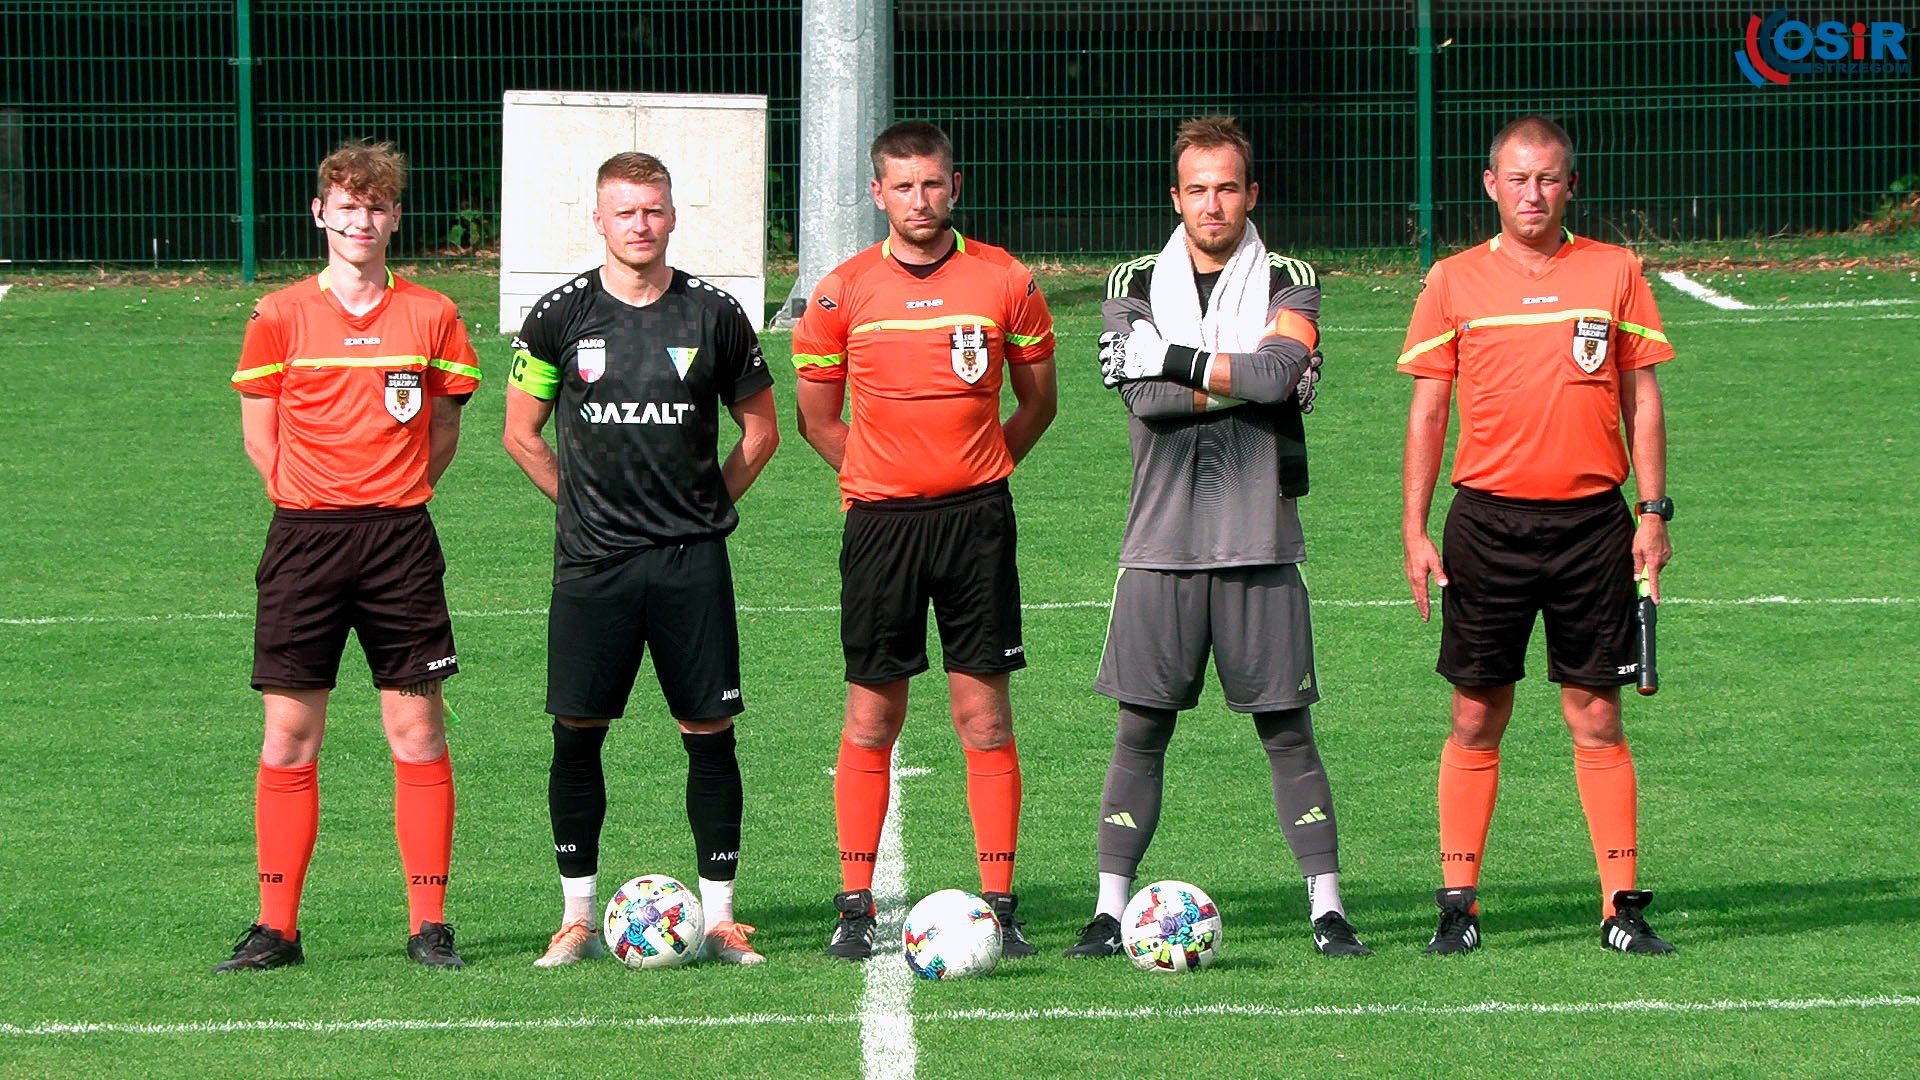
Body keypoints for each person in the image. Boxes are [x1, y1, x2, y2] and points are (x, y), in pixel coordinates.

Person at [1070, 115, 1364, 960]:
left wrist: (1173, 358)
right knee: (1140, 729)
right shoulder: (1131, 276)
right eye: (1197, 189)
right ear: (1176, 197)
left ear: (1251, 194)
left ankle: (1327, 909)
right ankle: (1105, 910)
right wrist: (1245, 375)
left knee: (1286, 729)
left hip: (1260, 541)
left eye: (1228, 187)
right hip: (1158, 544)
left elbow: (1267, 374)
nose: (1213, 204)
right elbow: (1150, 400)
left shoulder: (1290, 274)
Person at [1399, 115, 1676, 955]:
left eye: (1548, 178)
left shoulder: (1615, 270)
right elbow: (1429, 409)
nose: (1533, 193)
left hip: (1596, 523)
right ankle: (1459, 907)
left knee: (1597, 716)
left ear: (1571, 185)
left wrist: (1654, 513)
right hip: (1485, 523)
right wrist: (1414, 528)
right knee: (1476, 714)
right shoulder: (1451, 280)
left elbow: (1643, 398)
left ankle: (1620, 906)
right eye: (1517, 179)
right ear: (1490, 185)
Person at [503, 151, 779, 968]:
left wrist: (705, 509)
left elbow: (761, 432)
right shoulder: (557, 316)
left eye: (653, 210)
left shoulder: (715, 314)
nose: (640, 224)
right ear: (598, 218)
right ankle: (578, 918)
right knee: (577, 733)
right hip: (594, 568)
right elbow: (520, 433)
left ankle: (723, 918)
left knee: (709, 731)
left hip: (691, 563)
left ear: (671, 215)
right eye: (624, 211)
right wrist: (582, 507)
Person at [791, 120, 1058, 961]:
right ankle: (856, 902)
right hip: (880, 526)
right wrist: (882, 477)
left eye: (933, 183)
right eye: (903, 186)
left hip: (978, 523)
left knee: (982, 713)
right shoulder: (841, 294)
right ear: (878, 193)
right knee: (872, 713)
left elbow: (1039, 402)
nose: (920, 200)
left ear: (955, 185)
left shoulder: (1005, 279)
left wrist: (976, 471)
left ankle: (1001, 901)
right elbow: (816, 419)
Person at [218, 139, 481, 972]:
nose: (360, 220)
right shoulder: (279, 314)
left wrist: (394, 491)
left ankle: (430, 924)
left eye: (376, 207)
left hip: (400, 541)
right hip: (304, 540)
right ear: (320, 213)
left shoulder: (432, 314)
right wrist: (313, 497)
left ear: (394, 218)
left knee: (416, 729)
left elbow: (444, 426)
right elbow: (260, 436)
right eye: (346, 205)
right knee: (290, 735)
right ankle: (276, 929)